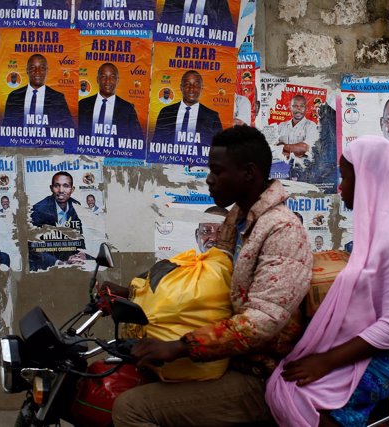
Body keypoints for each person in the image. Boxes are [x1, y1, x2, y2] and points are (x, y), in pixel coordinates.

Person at [112, 125, 313, 426]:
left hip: (256, 374)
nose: (209, 178)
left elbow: (262, 321)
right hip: (223, 360)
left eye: (217, 171)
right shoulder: (239, 218)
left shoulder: (282, 230)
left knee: (130, 408)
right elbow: (206, 285)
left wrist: (181, 346)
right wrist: (131, 293)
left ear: (248, 173)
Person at [266, 135, 389, 427]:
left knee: (304, 392)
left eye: (346, 176)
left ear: (368, 179)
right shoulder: (377, 230)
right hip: (385, 343)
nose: (341, 187)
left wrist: (326, 361)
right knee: (289, 375)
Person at [29, 171, 85, 271]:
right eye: (57, 186)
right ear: (51, 188)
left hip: (69, 262)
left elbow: (79, 237)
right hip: (46, 265)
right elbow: (33, 247)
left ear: (72, 189)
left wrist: (80, 254)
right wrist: (58, 263)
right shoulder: (39, 209)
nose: (61, 190)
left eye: (66, 186)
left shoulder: (76, 206)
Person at [2, 54, 74, 128]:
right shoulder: (14, 96)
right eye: (33, 67)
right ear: (27, 70)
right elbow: (6, 128)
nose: (37, 71)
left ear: (47, 70)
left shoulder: (58, 98)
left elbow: (69, 130)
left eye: (42, 68)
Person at [152, 70, 222, 145]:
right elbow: (156, 144)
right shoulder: (166, 112)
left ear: (201, 88)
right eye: (187, 84)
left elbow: (219, 147)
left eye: (196, 85)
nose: (191, 89)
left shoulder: (212, 117)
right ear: (181, 87)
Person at [78, 63, 144, 141]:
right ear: (97, 79)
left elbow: (138, 141)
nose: (108, 81)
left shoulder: (127, 108)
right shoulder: (83, 104)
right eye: (103, 76)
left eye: (112, 77)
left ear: (117, 80)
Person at [276, 94, 319, 161]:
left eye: (302, 106)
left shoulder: (311, 126)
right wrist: (296, 150)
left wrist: (282, 146)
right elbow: (273, 146)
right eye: (295, 106)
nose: (298, 109)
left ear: (306, 108)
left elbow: (304, 148)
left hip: (303, 167)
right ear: (290, 107)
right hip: (282, 166)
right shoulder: (281, 126)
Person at [157, 0, 235, 34]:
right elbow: (164, 27)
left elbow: (228, 32)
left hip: (207, 53)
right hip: (177, 51)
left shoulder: (218, 1)